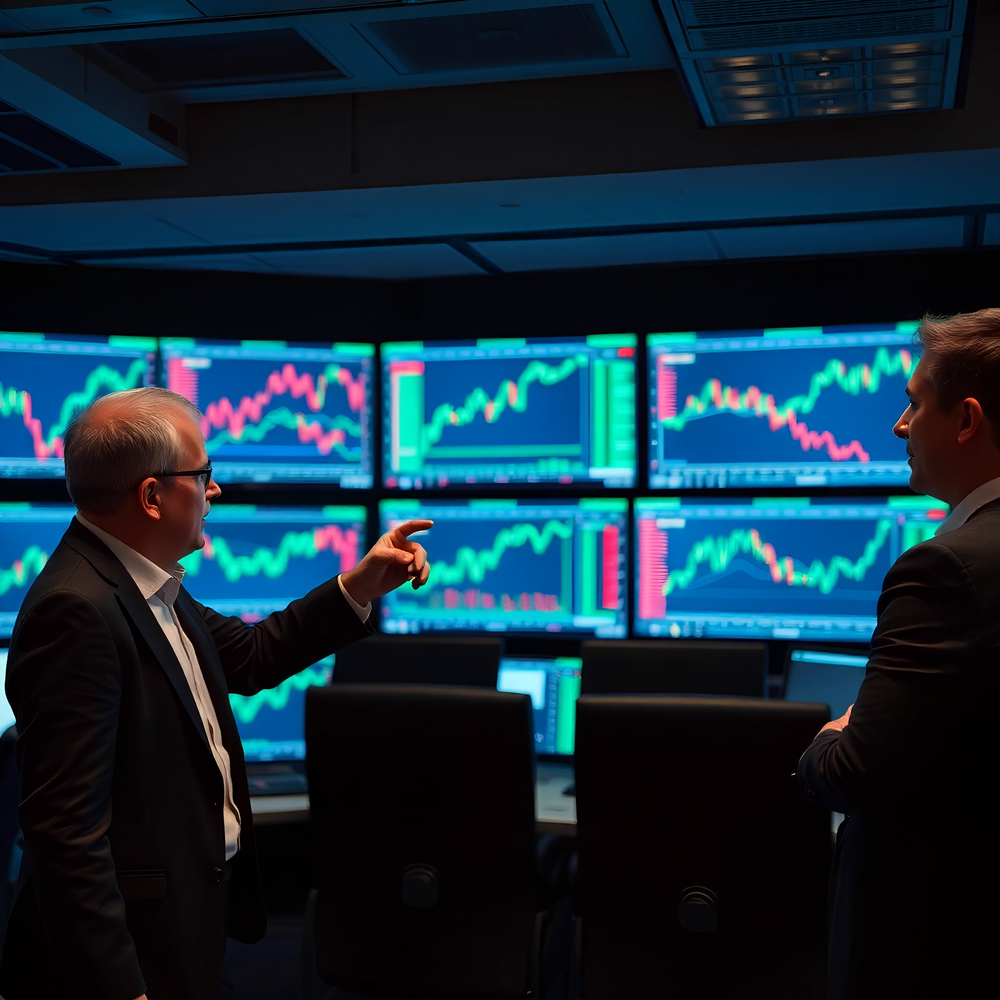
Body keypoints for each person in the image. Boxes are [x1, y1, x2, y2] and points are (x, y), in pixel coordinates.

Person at [0, 387, 432, 1000]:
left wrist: (357, 586)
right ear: (152, 496)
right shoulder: (77, 610)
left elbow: (253, 658)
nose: (214, 491)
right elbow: (66, 833)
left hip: (181, 926)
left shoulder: (143, 586)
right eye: (203, 474)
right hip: (131, 958)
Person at [796, 308, 1000, 1000]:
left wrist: (831, 734)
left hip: (931, 943)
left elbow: (854, 774)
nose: (899, 425)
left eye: (914, 403)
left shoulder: (946, 568)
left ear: (967, 419)